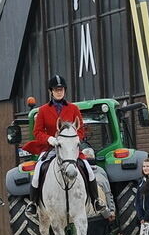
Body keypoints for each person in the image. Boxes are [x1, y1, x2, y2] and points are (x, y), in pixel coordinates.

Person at [23, 75, 103, 215]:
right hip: (51, 148)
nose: (59, 92)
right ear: (51, 91)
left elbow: (80, 129)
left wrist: (73, 140)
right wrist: (49, 139)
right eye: (56, 89)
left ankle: (96, 201)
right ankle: (34, 203)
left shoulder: (73, 108)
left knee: (88, 169)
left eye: (61, 89)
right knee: (38, 170)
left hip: (71, 149)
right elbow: (37, 132)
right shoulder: (43, 110)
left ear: (64, 91)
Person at [82, 148, 116, 235]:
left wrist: (107, 212)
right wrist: (111, 211)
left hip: (93, 216)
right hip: (103, 216)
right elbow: (108, 194)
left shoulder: (86, 177)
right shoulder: (101, 172)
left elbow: (100, 197)